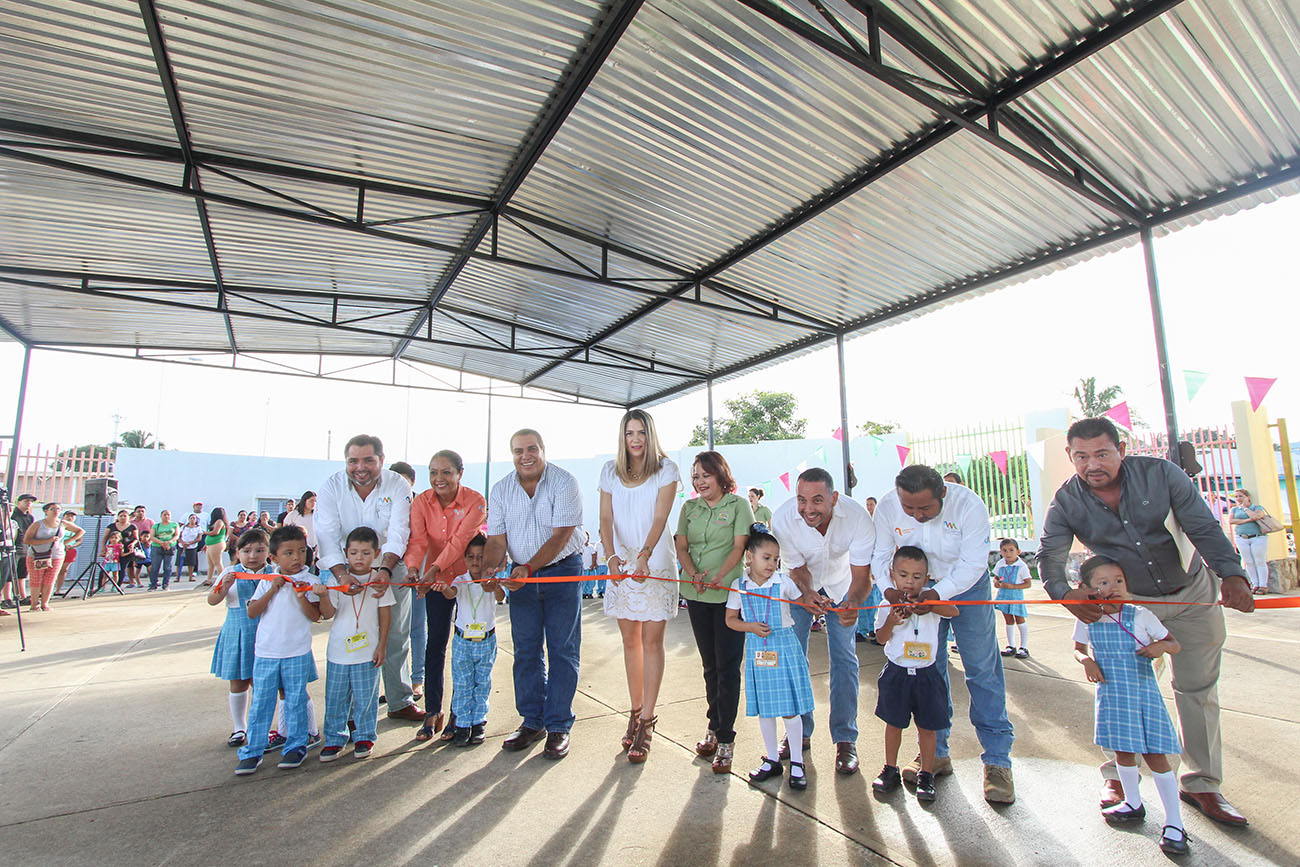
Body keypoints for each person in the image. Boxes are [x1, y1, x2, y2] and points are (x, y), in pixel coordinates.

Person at [1040, 417, 1254, 826]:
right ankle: (1120, 777)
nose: (1092, 464)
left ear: (1121, 448)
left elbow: (1203, 526)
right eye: (1081, 457)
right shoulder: (1066, 501)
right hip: (1129, 607)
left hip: (1193, 595)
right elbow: (1050, 553)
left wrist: (1233, 573)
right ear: (1070, 456)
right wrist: (1064, 594)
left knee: (1197, 690)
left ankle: (1203, 783)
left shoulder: (1162, 474)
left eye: (1102, 453)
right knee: (1120, 690)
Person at [872, 464, 1016, 803]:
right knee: (928, 670)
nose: (917, 515)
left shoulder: (969, 506)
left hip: (965, 587)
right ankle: (936, 755)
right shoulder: (888, 505)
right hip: (912, 587)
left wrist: (938, 596)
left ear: (943, 494)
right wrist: (890, 591)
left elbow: (974, 562)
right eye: (910, 509)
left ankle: (997, 761)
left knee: (981, 669)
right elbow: (880, 555)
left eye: (925, 508)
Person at [1072, 555, 1188, 856]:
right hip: (1111, 695)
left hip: (1141, 695)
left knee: (1154, 756)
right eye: (1104, 582)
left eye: (1119, 580)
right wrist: (1087, 661)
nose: (1114, 587)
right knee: (1122, 751)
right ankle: (1132, 803)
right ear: (1086, 588)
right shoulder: (1088, 617)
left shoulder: (1141, 616)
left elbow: (1173, 643)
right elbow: (1078, 649)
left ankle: (1174, 823)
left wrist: (1158, 647)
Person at [485, 429, 584, 760]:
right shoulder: (500, 490)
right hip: (520, 577)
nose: (524, 456)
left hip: (562, 571)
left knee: (562, 650)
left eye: (531, 449)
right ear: (511, 454)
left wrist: (526, 568)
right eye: (517, 451)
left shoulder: (564, 482)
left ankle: (558, 726)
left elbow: (560, 537)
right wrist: (490, 571)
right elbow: (496, 540)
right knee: (526, 650)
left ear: (543, 449)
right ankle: (532, 721)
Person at [775, 467, 874, 775]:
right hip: (799, 588)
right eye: (802, 500)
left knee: (845, 659)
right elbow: (797, 568)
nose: (808, 509)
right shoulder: (782, 519)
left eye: (817, 500)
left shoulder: (858, 518)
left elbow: (862, 576)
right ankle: (799, 734)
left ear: (834, 498)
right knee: (794, 658)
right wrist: (806, 593)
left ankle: (845, 740)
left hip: (843, 587)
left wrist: (853, 604)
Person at [314, 434, 420, 722]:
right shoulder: (331, 487)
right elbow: (326, 533)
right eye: (353, 461)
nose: (360, 467)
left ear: (381, 461)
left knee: (396, 634)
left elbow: (399, 531)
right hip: (346, 568)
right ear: (346, 462)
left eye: (368, 460)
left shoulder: (396, 484)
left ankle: (399, 700)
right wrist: (342, 573)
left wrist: (384, 569)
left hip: (390, 564)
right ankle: (350, 712)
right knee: (351, 634)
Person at [598, 408, 680, 763]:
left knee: (651, 642)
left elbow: (661, 517)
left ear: (650, 435)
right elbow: (605, 517)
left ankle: (648, 720)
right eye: (629, 432)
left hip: (654, 564)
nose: (635, 439)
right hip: (622, 566)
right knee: (629, 641)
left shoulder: (667, 470)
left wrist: (645, 554)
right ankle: (633, 713)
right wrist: (611, 556)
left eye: (641, 433)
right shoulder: (609, 471)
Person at [675, 450, 753, 774]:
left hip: (728, 596)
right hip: (696, 594)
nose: (700, 481)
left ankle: (726, 738)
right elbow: (681, 545)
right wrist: (692, 572)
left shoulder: (738, 505)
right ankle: (712, 725)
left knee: (728, 667)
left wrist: (721, 576)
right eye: (695, 476)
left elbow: (739, 546)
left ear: (721, 475)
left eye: (705, 475)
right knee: (710, 666)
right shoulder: (688, 508)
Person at [405, 449, 486, 740]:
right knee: (434, 645)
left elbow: (460, 541)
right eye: (433, 472)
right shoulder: (421, 502)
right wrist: (415, 569)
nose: (439, 479)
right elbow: (418, 540)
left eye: (446, 472)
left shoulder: (476, 501)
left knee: (465, 650)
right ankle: (432, 711)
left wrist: (434, 568)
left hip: (467, 581)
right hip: (434, 582)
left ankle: (458, 712)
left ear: (460, 474)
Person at [726, 529, 814, 791]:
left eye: (776, 559)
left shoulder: (783, 582)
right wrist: (750, 627)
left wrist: (817, 603)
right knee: (766, 708)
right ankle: (772, 759)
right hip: (758, 651)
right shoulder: (738, 586)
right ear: (749, 557)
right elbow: (730, 620)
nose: (772, 564)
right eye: (766, 558)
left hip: (784, 648)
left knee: (789, 708)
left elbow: (804, 603)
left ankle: (797, 762)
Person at [870, 546, 959, 803]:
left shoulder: (931, 600)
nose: (910, 581)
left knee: (927, 728)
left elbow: (954, 611)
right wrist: (891, 622)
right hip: (896, 673)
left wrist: (930, 606)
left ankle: (927, 774)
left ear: (927, 578)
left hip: (927, 675)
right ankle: (890, 769)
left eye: (918, 576)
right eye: (904, 575)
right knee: (893, 724)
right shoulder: (887, 603)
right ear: (893, 575)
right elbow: (880, 637)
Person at [234, 525, 322, 776]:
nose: (296, 558)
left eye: (302, 551)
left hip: (296, 652)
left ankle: (296, 745)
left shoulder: (311, 581)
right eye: (289, 553)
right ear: (273, 558)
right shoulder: (266, 581)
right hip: (266, 653)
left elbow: (316, 616)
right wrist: (272, 589)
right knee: (261, 703)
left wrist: (302, 595)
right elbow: (252, 612)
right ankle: (253, 750)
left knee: (295, 700)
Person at [316, 527, 394, 763]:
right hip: (338, 653)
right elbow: (328, 614)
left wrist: (381, 646)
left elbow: (385, 615)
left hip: (367, 653)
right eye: (354, 552)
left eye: (366, 553)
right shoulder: (335, 580)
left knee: (366, 699)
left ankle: (364, 736)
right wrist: (323, 596)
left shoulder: (380, 582)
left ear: (377, 554)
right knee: (336, 698)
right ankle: (334, 738)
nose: (359, 558)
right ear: (345, 553)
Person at [208, 528, 272, 748]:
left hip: (267, 634)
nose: (252, 556)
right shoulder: (229, 572)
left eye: (259, 550)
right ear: (237, 552)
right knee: (238, 682)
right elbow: (212, 600)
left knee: (263, 684)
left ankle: (262, 727)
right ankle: (239, 728)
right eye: (246, 551)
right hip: (238, 633)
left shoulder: (274, 572)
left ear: (268, 552)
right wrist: (223, 586)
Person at [441, 534, 504, 746]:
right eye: (471, 557)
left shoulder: (490, 579)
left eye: (480, 556)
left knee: (482, 682)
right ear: (464, 559)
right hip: (463, 640)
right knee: (462, 683)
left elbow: (501, 597)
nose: (476, 561)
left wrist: (493, 585)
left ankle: (478, 722)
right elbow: (451, 594)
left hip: (486, 640)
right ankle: (462, 724)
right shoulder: (460, 580)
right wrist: (443, 588)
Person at [387, 463, 424, 704]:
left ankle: (417, 679)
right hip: (389, 569)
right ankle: (395, 688)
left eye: (402, 480)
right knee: (392, 631)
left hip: (418, 571)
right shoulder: (385, 503)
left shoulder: (421, 503)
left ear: (411, 481)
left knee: (417, 627)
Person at [24, 502, 77, 611]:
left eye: (58, 509)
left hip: (56, 555)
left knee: (50, 580)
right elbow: (27, 540)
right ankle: (34, 604)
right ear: (46, 511)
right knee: (36, 580)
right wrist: (47, 540)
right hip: (37, 555)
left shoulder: (62, 523)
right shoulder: (38, 524)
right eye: (53, 509)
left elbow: (80, 531)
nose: (56, 511)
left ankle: (45, 604)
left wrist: (68, 541)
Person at [993, 538, 1032, 658]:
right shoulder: (1001, 564)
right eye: (1004, 551)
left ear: (1018, 551)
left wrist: (1012, 586)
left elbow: (1028, 583)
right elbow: (996, 577)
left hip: (1016, 596)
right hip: (1004, 596)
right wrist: (996, 582)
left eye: (1011, 550)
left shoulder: (1021, 566)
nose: (1008, 553)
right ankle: (1011, 645)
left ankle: (1024, 647)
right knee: (1008, 620)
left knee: (1020, 620)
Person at [1228, 489, 1271, 595]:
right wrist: (1247, 520)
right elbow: (1231, 521)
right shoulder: (1234, 509)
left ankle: (1263, 585)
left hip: (1257, 537)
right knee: (1248, 562)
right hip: (1242, 538)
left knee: (1259, 561)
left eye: (1241, 496)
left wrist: (1245, 509)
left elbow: (1256, 516)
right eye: (1236, 496)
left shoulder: (1256, 508)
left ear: (1247, 497)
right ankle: (1255, 584)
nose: (1238, 499)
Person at [3, 494, 36, 610]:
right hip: (11, 547)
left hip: (25, 547)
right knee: (9, 574)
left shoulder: (30, 517)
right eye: (26, 501)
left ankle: (22, 597)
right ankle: (7, 598)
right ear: (19, 502)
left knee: (22, 574)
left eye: (31, 501)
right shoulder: (12, 516)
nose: (29, 503)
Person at [53, 510, 84, 596]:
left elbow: (80, 541)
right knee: (54, 569)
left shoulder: (76, 528)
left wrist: (72, 545)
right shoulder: (59, 526)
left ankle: (58, 589)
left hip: (69, 549)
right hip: (57, 549)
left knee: (63, 570)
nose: (70, 518)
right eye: (68, 516)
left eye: (72, 516)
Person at [282, 491, 317, 568]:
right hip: (297, 549)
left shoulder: (316, 516)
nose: (313, 503)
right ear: (304, 501)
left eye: (315, 501)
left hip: (312, 549)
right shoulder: (293, 515)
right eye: (311, 501)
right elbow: (284, 531)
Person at [148, 509, 180, 591]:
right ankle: (153, 584)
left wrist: (169, 542)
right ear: (161, 516)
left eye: (168, 514)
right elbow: (152, 536)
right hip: (157, 547)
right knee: (155, 566)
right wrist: (161, 543)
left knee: (167, 567)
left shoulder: (174, 524)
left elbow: (176, 535)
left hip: (169, 547)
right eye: (164, 514)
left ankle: (165, 584)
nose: (166, 516)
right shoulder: (156, 525)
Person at [204, 508, 228, 582]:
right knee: (211, 564)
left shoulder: (219, 522)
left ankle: (222, 579)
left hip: (216, 543)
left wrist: (205, 532)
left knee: (217, 562)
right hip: (210, 544)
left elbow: (215, 532)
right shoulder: (215, 522)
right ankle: (209, 579)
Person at [178, 513, 204, 581]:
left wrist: (190, 543)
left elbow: (199, 538)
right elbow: (178, 536)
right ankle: (178, 577)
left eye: (194, 518)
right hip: (182, 546)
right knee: (179, 562)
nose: (192, 520)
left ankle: (190, 577)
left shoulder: (198, 528)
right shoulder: (183, 527)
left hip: (192, 546)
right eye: (191, 518)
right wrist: (183, 543)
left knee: (191, 562)